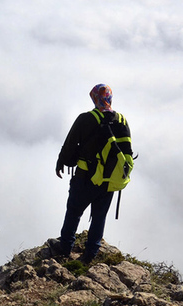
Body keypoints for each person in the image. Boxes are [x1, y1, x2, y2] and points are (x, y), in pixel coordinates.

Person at [52, 84, 131, 264]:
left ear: (94, 98)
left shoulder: (86, 119)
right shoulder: (122, 120)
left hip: (85, 177)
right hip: (110, 180)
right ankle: (90, 254)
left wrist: (60, 163)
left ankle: (65, 248)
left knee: (73, 212)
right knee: (99, 216)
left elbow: (70, 144)